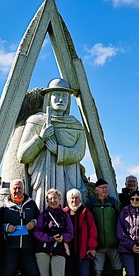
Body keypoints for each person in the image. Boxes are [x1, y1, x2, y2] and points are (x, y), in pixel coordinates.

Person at [16, 78, 88, 209]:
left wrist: (58, 150)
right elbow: (22, 156)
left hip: (70, 183)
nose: (61, 100)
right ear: (49, 97)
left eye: (65, 96)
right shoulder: (36, 121)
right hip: (44, 181)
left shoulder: (75, 125)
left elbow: (79, 153)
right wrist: (40, 139)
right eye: (57, 95)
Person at [0, 179, 40, 276]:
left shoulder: (31, 204)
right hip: (10, 248)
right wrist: (5, 227)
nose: (17, 191)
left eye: (19, 188)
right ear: (10, 189)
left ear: (24, 189)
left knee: (33, 275)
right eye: (15, 188)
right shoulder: (4, 205)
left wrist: (34, 222)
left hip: (28, 247)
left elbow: (39, 218)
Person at [33, 188, 74, 276]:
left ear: (60, 199)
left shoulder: (64, 216)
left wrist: (62, 238)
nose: (53, 200)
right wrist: (50, 239)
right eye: (50, 198)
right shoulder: (43, 215)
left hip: (59, 251)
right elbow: (36, 232)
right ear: (47, 201)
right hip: (43, 251)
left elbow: (70, 233)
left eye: (55, 198)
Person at [89, 178, 123, 276]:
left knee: (118, 270)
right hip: (98, 246)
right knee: (97, 272)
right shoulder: (91, 204)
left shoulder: (115, 203)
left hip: (114, 244)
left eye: (106, 187)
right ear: (96, 190)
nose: (105, 190)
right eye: (102, 188)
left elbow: (122, 221)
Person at [63, 188, 97, 276]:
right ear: (68, 200)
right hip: (68, 254)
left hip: (83, 253)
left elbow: (93, 231)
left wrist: (92, 247)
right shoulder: (64, 213)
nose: (74, 200)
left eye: (76, 198)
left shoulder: (86, 212)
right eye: (72, 198)